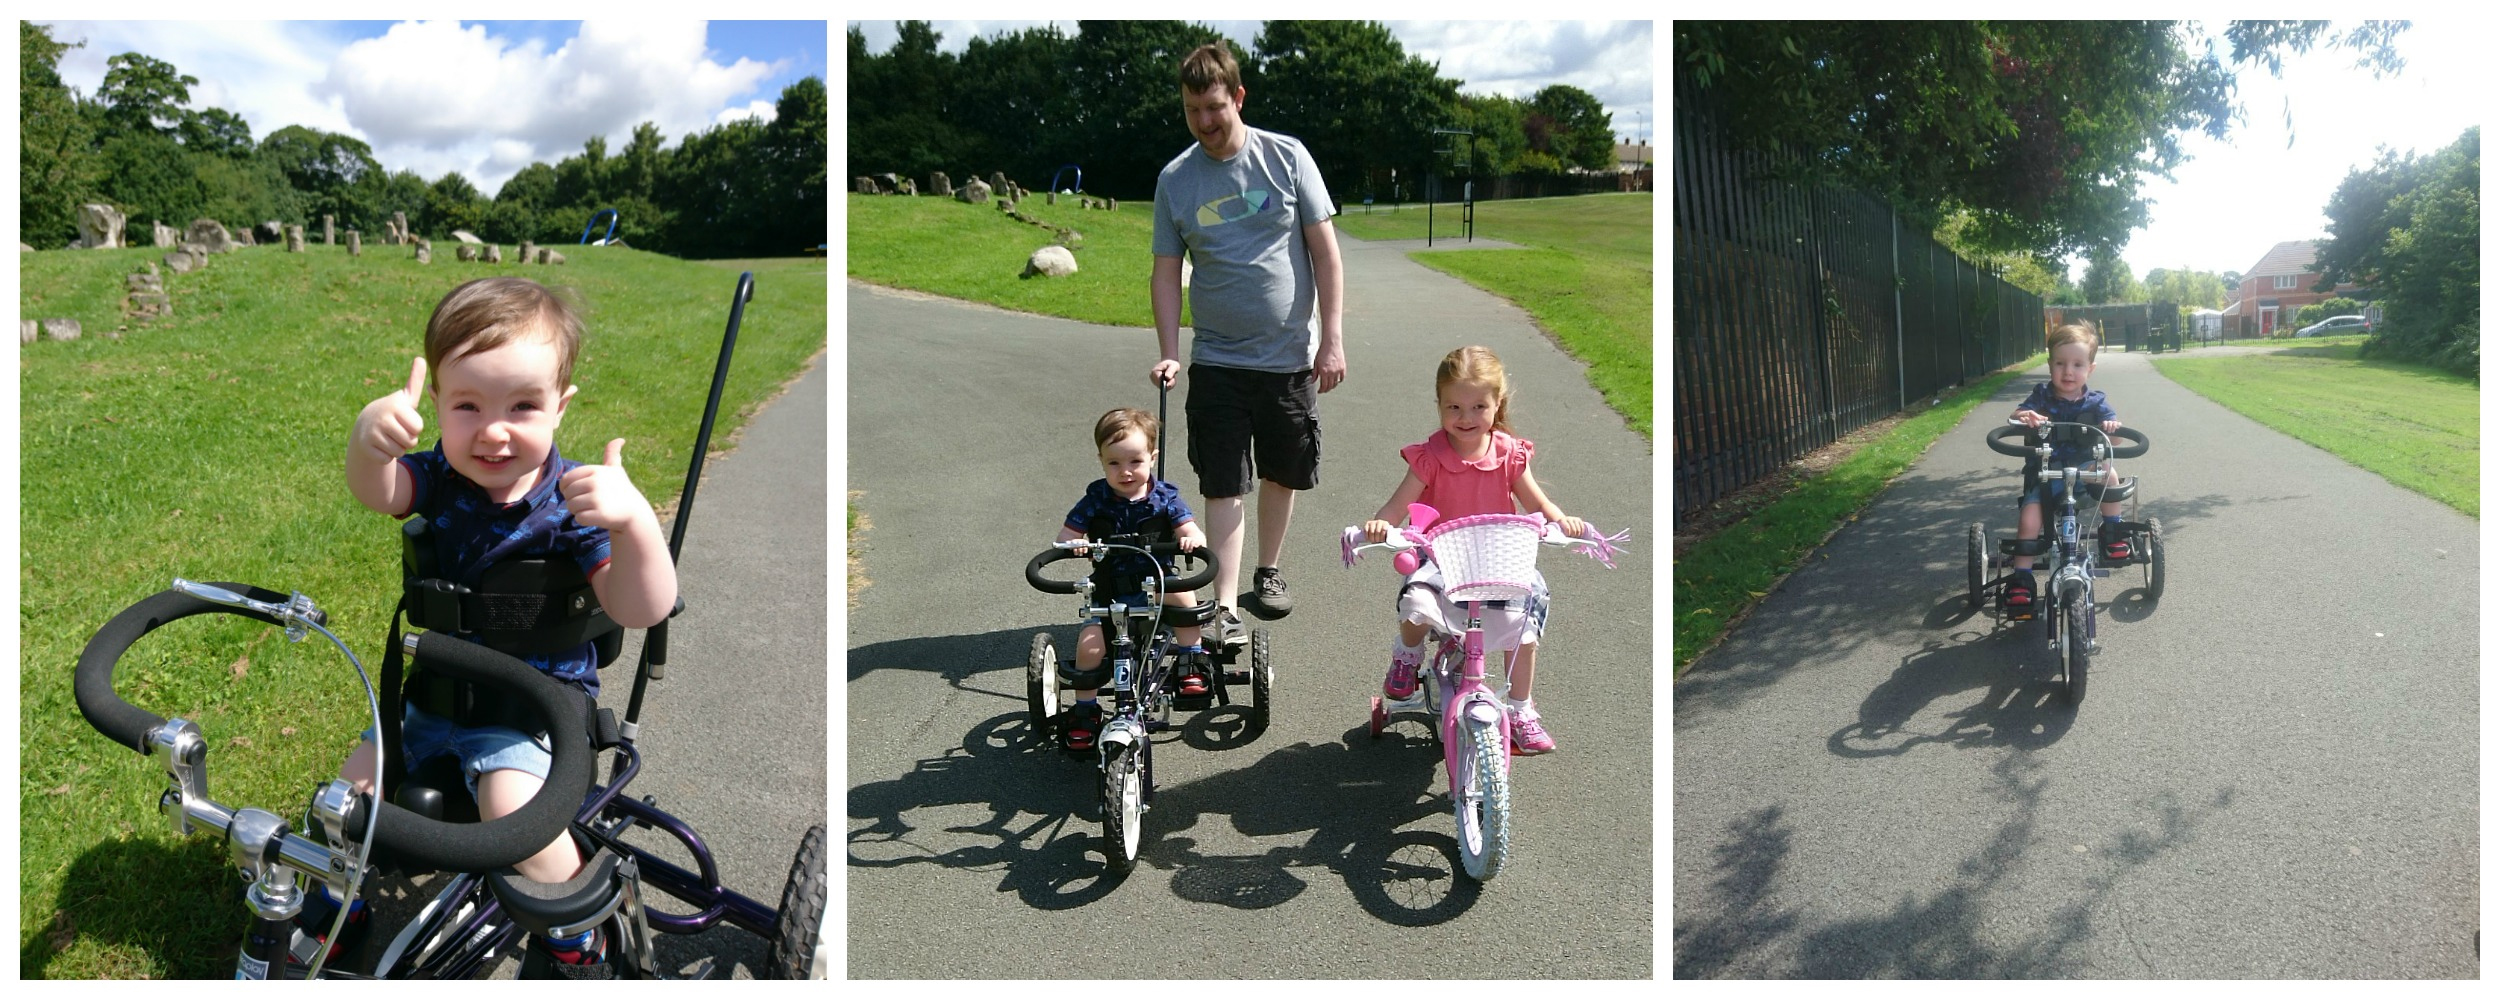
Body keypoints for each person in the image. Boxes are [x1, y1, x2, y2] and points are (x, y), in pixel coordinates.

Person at [324, 276, 677, 973]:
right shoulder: (438, 477)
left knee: (515, 823)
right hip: (427, 701)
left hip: (529, 713)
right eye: (467, 405)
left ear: (560, 406)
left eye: (522, 405)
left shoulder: (575, 504)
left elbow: (644, 608)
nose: (492, 430)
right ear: (437, 406)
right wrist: (369, 443)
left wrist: (634, 521)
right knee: (342, 801)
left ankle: (575, 933)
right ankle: (339, 900)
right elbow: (379, 490)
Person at [1149, 41, 1346, 642]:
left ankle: (1269, 570)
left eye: (1214, 107)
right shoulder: (1176, 180)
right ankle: (1225, 604)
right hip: (1216, 359)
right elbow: (1164, 271)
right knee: (1223, 480)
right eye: (1192, 111)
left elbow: (1325, 253)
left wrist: (1331, 338)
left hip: (1286, 357)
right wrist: (1169, 349)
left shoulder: (1286, 158)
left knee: (1283, 472)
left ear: (1237, 97)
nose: (1205, 122)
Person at [1360, 347, 1586, 754]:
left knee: (1525, 622)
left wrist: (1561, 521)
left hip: (1498, 558)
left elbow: (1536, 503)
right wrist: (1380, 525)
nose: (1465, 418)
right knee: (1416, 599)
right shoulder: (1429, 458)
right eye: (1454, 407)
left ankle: (1520, 708)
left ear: (1497, 405)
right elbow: (1396, 506)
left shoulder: (1509, 456)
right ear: (1439, 405)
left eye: (1479, 406)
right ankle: (1407, 654)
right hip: (1442, 556)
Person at [1055, 408, 1209, 752]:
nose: (1125, 472)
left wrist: (1189, 538)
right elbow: (1066, 535)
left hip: (1157, 582)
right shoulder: (1095, 499)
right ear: (1101, 461)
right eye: (1114, 464)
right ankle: (1086, 710)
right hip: (1109, 590)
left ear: (1152, 458)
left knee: (1186, 597)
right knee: (1089, 643)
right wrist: (1076, 543)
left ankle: (1190, 661)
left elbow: (1190, 528)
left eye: (1135, 462)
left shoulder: (1165, 497)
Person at [2003, 322, 2127, 616]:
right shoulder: (2041, 397)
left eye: (2077, 364)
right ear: (2049, 365)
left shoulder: (2096, 402)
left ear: (2090, 369)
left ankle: (2113, 533)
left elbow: (2117, 438)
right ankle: (2022, 576)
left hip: (2085, 472)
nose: (2068, 372)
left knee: (2109, 473)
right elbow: (2015, 415)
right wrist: (2026, 416)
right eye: (2060, 363)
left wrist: (2111, 427)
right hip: (2047, 475)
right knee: (2029, 517)